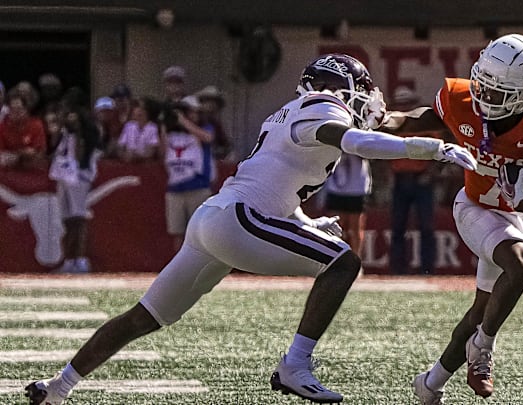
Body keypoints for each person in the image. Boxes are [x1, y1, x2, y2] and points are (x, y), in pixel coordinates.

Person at [25, 53, 476, 405]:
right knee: (343, 262)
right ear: (340, 87)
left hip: (217, 219)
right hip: (239, 221)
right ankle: (295, 366)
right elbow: (357, 142)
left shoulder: (290, 112)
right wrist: (431, 150)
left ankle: (58, 386)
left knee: (144, 317)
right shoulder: (322, 107)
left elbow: (278, 180)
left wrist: (303, 221)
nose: (367, 99)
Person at [376, 34, 523, 402]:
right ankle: (484, 346)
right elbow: (417, 118)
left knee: (481, 310)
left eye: (497, 92)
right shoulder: (460, 100)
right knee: (521, 267)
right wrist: (382, 119)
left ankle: (431, 383)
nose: (484, 98)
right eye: (483, 86)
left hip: (519, 218)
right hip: (475, 206)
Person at [387, 86, 440, 275]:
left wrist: (431, 172)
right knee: (397, 226)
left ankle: (427, 269)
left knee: (426, 225)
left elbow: (439, 149)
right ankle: (397, 270)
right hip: (400, 179)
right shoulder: (391, 124)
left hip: (421, 179)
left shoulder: (423, 123)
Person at [49, 89, 101, 273]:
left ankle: (80, 258)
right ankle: (69, 258)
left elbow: (82, 154)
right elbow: (55, 149)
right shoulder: (64, 131)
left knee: (78, 218)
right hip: (63, 176)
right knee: (66, 219)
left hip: (78, 177)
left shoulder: (86, 130)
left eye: (68, 112)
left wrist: (77, 130)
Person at [160, 95, 215, 253]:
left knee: (200, 231)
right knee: (177, 232)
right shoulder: (171, 134)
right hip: (175, 188)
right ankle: (179, 267)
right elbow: (162, 151)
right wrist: (165, 124)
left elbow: (208, 138)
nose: (191, 115)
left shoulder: (206, 128)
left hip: (198, 186)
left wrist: (183, 121)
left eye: (191, 111)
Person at [323, 151, 372, 255]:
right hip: (335, 186)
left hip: (356, 188)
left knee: (355, 227)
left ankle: (355, 260)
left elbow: (368, 153)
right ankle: (335, 259)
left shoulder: (358, 136)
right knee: (335, 227)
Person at [0, 91, 47, 170]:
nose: (16, 113)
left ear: (26, 109)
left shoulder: (36, 125)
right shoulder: (2, 127)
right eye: (12, 109)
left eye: (19, 109)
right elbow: (1, 153)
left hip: (32, 169)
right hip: (9, 169)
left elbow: (39, 153)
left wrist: (18, 155)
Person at [117, 97, 162, 163]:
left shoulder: (153, 127)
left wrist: (136, 157)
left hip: (144, 166)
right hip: (127, 165)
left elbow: (151, 151)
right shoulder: (129, 125)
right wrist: (124, 155)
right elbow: (120, 146)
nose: (134, 110)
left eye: (138, 107)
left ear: (146, 111)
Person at [196, 85, 232, 160]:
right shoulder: (194, 121)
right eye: (208, 101)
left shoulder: (215, 124)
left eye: (215, 102)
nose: (211, 105)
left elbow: (226, 145)